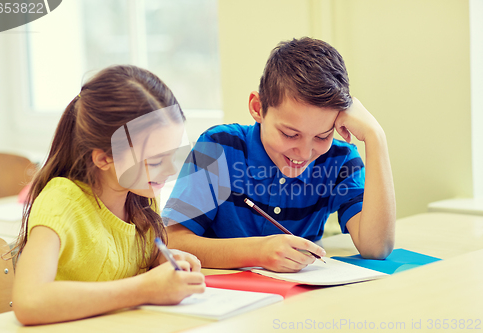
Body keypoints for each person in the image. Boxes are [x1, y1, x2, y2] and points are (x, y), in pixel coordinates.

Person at [162, 37, 396, 273]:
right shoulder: (218, 147)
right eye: (289, 134)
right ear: (257, 108)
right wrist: (258, 252)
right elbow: (172, 241)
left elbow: (376, 249)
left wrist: (375, 137)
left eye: (322, 136)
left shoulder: (339, 159)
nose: (305, 153)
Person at [11, 65, 205, 325]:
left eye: (172, 155)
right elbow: (29, 302)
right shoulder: (60, 203)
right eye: (157, 160)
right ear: (104, 158)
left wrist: (163, 261)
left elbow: (128, 260)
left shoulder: (141, 196)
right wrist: (145, 288)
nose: (170, 170)